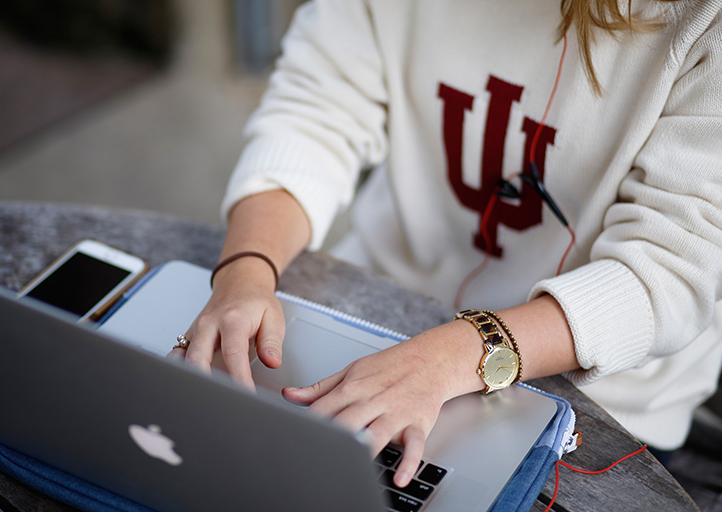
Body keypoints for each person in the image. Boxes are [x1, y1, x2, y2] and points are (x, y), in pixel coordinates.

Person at [170, 0, 722, 488]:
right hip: (373, 313)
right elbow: (314, 117)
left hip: (600, 397)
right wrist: (244, 272)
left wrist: (450, 357)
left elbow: (669, 269)